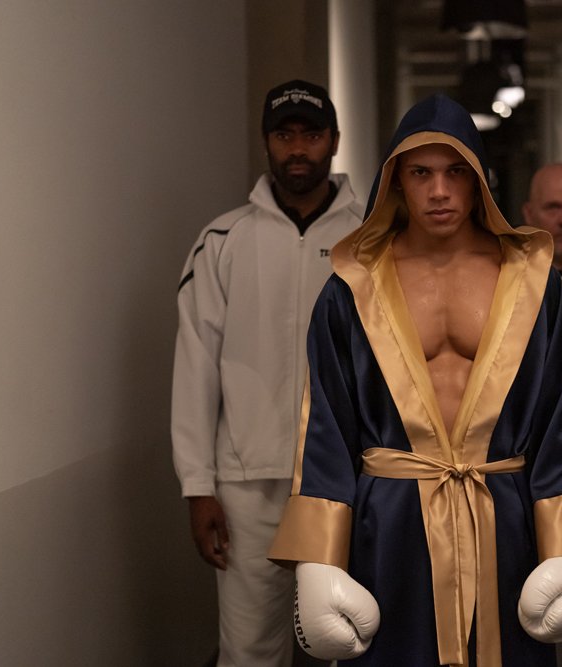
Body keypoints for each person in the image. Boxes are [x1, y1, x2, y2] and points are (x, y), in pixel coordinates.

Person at [267, 93, 562, 667]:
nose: (439, 190)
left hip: (502, 520)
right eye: (421, 173)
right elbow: (326, 427)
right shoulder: (351, 288)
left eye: (456, 171)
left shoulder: (533, 283)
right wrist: (319, 558)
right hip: (391, 527)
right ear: (395, 180)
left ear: (479, 179)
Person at [171, 79, 362, 666]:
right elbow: (196, 363)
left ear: (334, 140)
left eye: (311, 134)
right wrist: (198, 485)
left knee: (352, 639)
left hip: (349, 477)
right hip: (246, 484)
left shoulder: (371, 238)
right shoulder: (222, 241)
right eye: (285, 135)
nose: (297, 148)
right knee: (250, 649)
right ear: (266, 142)